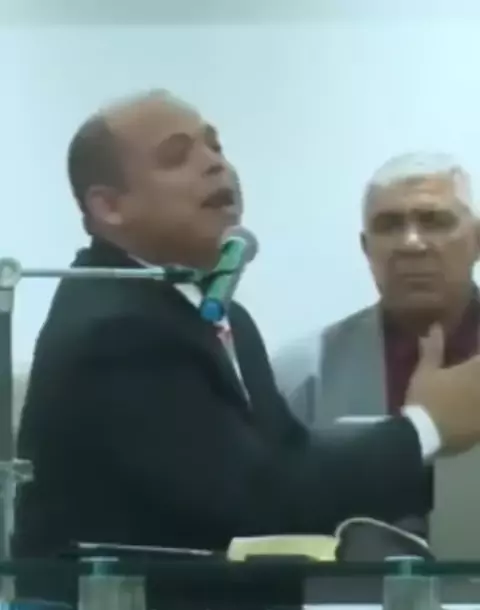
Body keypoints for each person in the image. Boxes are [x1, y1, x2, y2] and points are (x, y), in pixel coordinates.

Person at [12, 95, 480, 572]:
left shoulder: (224, 317)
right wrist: (427, 426)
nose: (215, 163)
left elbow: (287, 463)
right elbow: (258, 505)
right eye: (178, 156)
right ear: (110, 206)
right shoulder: (115, 329)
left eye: (215, 146)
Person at [273, 152, 480, 536]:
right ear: (367, 249)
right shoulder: (302, 372)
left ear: (477, 240)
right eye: (389, 225)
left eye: (434, 221)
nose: (411, 243)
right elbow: (272, 512)